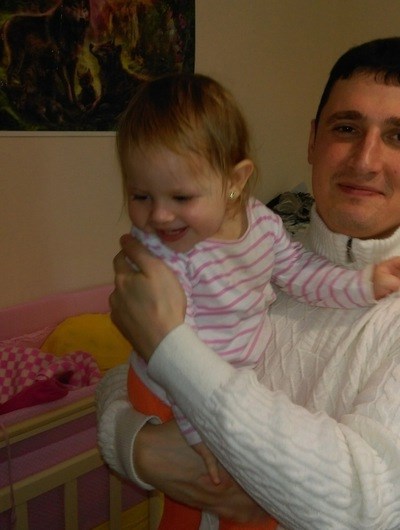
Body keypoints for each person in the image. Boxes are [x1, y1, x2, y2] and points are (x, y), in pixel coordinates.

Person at [97, 37, 400, 530]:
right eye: (346, 128)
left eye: (397, 136)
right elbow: (127, 373)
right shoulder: (262, 247)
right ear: (312, 140)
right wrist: (137, 445)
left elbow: (366, 507)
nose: (365, 160)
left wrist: (167, 344)